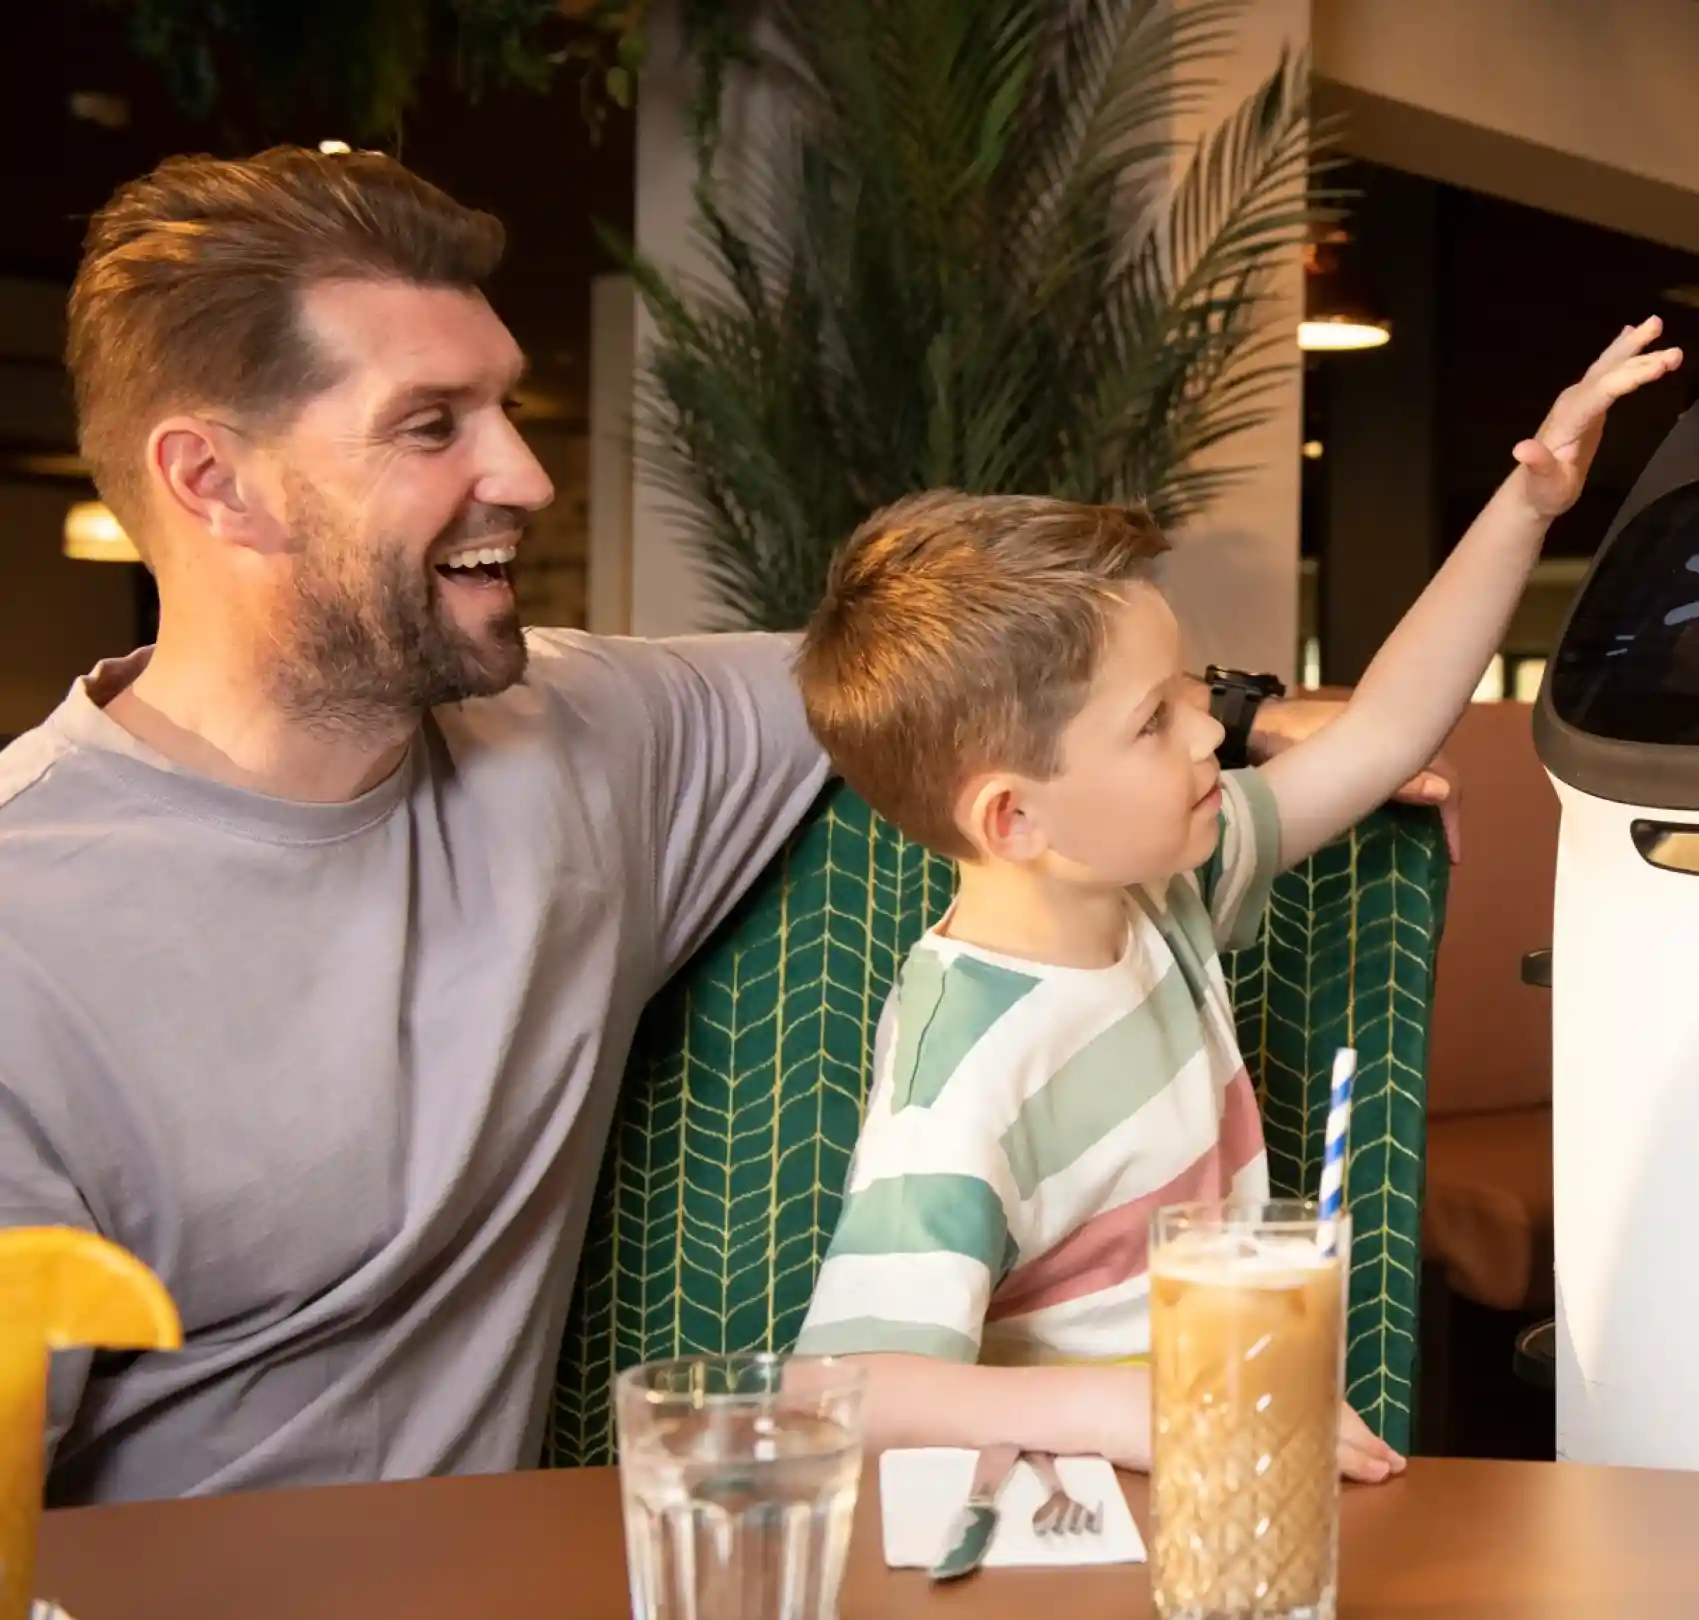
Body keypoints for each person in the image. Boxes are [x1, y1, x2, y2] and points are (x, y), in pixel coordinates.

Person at [0, 146, 1435, 1504]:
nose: (526, 475)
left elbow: (961, 691)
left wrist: (1233, 712)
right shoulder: (27, 934)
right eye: (432, 425)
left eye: (502, 406)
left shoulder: (586, 733)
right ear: (210, 481)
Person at [784, 322, 1683, 1475]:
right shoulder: (963, 1075)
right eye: (1154, 719)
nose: (1214, 727)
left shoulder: (1160, 892)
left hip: (1220, 1468)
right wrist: (1138, 1416)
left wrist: (1529, 503)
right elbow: (839, 1388)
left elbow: (1386, 731)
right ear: (1015, 818)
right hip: (1077, 1527)